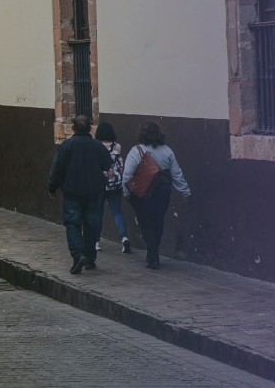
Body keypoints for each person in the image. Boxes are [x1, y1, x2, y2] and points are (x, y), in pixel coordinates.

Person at [122, 122, 190, 269]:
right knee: (158, 222)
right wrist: (184, 190)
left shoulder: (136, 151)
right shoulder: (167, 151)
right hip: (163, 193)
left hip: (142, 194)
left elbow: (127, 175)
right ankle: (153, 254)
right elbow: (176, 174)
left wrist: (127, 193)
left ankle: (152, 256)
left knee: (145, 223)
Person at [46, 114, 109, 274]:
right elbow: (107, 164)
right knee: (91, 225)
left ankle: (78, 254)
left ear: (73, 128)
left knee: (73, 224)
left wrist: (52, 187)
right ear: (90, 129)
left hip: (72, 192)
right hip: (93, 192)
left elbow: (57, 168)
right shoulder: (97, 146)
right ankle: (90, 257)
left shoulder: (67, 145)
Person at [95, 120, 130, 254]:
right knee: (117, 212)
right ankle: (124, 237)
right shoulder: (117, 147)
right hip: (115, 184)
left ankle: (96, 242)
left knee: (98, 213)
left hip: (100, 184)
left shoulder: (96, 146)